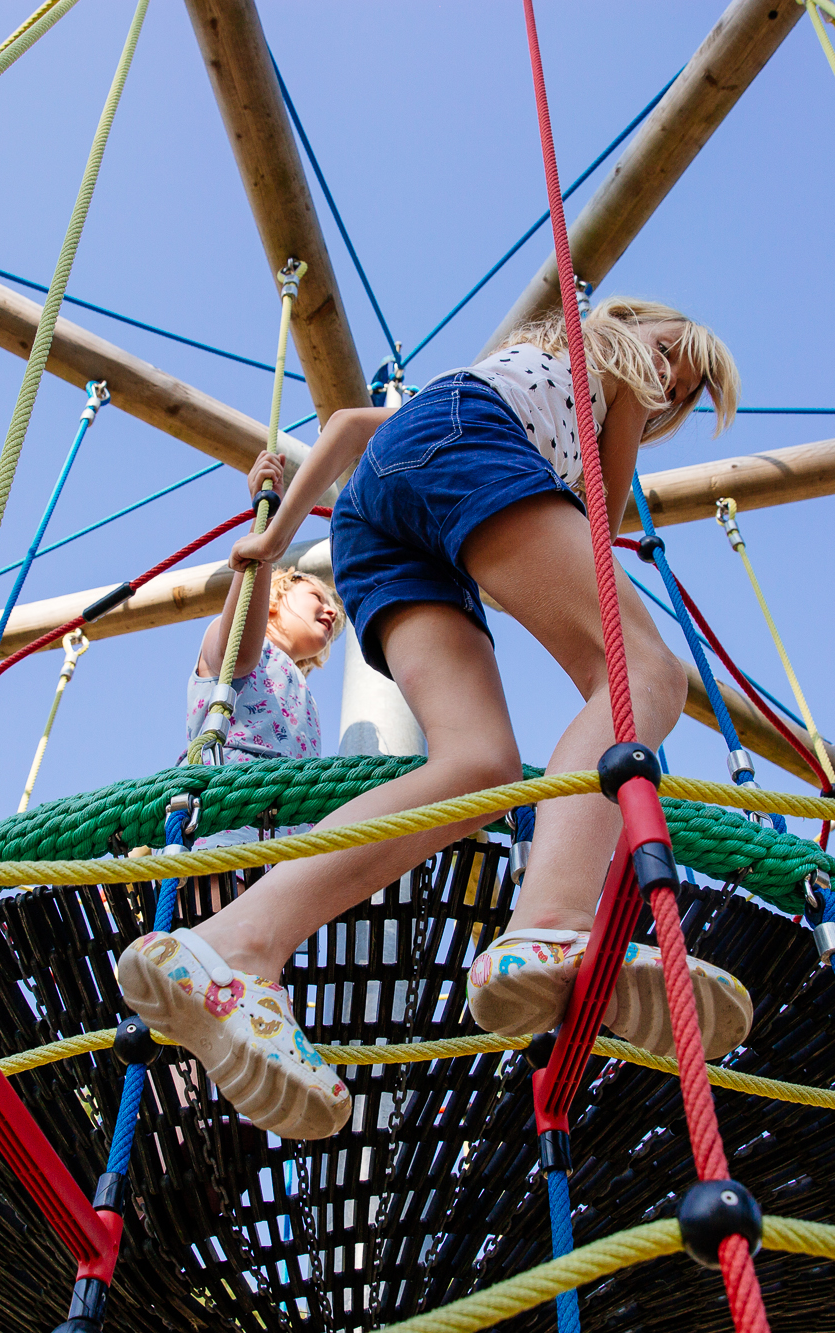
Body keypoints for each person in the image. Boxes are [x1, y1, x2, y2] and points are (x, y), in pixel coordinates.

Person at [123, 298, 756, 1139]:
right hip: (459, 443)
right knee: (645, 672)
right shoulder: (580, 349)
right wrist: (638, 396)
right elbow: (600, 512)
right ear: (629, 317)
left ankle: (235, 944)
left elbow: (356, 428)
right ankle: (552, 924)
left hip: (380, 523)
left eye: (677, 393)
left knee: (480, 764)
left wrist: (279, 538)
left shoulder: (555, 398)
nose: (664, 379)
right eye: (670, 350)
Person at [185, 450, 344, 773]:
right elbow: (240, 656)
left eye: (334, 613)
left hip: (286, 812)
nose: (330, 613)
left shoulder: (300, 689)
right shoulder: (245, 646)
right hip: (227, 798)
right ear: (274, 598)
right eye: (317, 596)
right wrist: (268, 523)